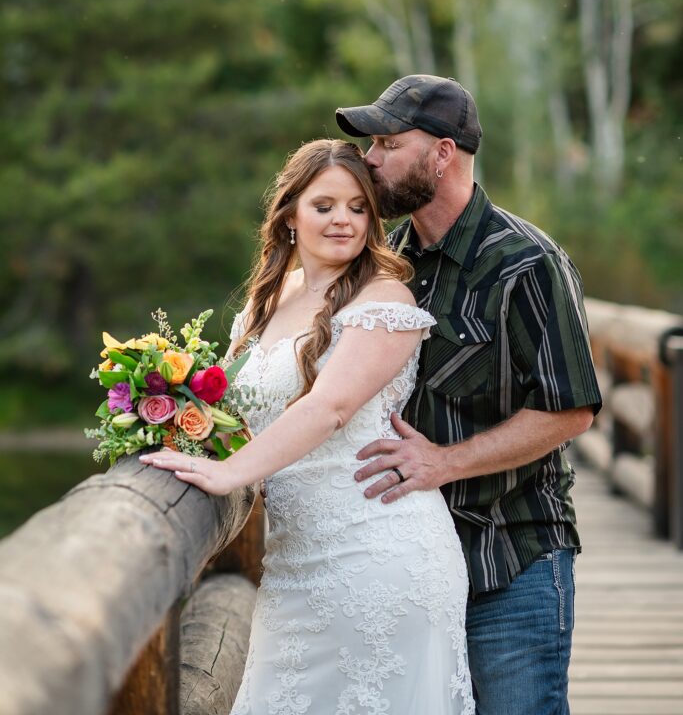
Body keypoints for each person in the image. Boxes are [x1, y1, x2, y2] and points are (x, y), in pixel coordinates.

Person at [141, 138, 474, 715]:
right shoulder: (269, 300)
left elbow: (330, 408)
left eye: (358, 207)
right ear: (291, 215)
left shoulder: (384, 299)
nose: (342, 220)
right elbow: (240, 408)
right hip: (294, 560)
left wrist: (229, 474)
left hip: (378, 553)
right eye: (324, 206)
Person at [335, 75, 603, 715]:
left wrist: (445, 462)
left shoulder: (526, 261)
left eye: (388, 144)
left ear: (442, 154)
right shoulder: (388, 265)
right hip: (405, 566)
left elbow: (572, 410)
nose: (369, 160)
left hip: (509, 562)